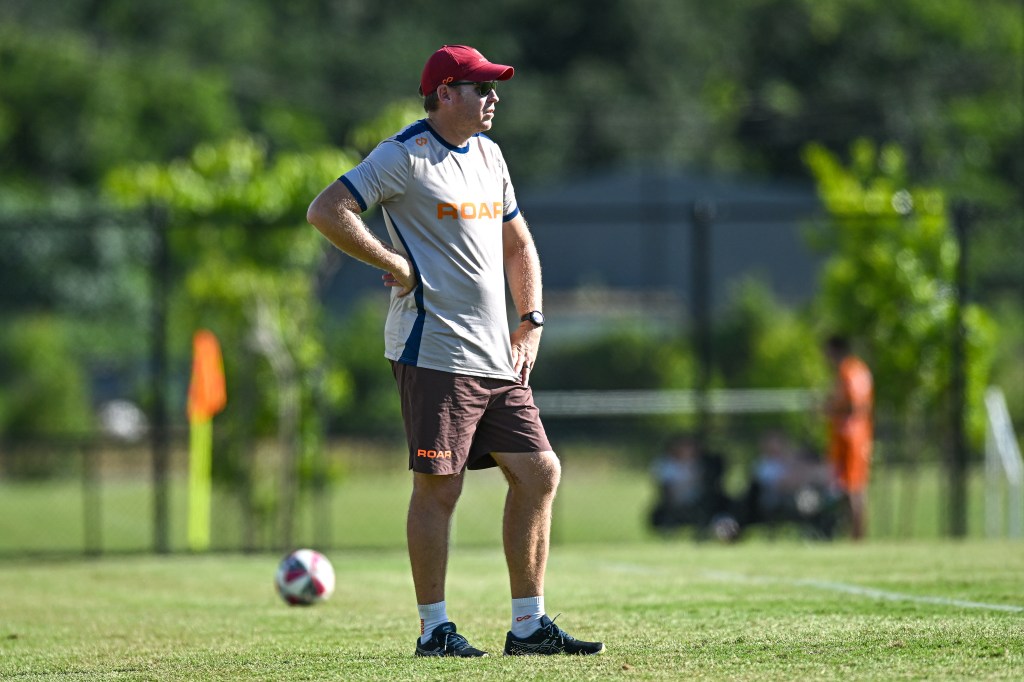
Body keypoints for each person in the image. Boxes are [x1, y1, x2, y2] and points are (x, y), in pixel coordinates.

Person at [306, 45, 603, 658]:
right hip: (434, 350)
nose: (494, 98)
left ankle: (528, 626)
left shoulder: (490, 155)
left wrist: (532, 322)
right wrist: (393, 262)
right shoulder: (403, 154)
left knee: (539, 472)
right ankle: (434, 630)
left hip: (498, 356)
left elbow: (519, 246)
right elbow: (327, 210)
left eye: (493, 88)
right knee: (439, 489)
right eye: (481, 88)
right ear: (444, 93)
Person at [823, 334, 874, 540]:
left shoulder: (850, 370)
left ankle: (858, 537)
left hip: (851, 437)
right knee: (848, 487)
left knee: (854, 487)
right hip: (851, 436)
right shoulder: (855, 370)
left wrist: (830, 407)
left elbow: (855, 404)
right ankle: (853, 535)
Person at [648, 432, 733, 538]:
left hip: (699, 500)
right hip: (676, 501)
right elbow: (666, 490)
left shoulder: (702, 464)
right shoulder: (666, 466)